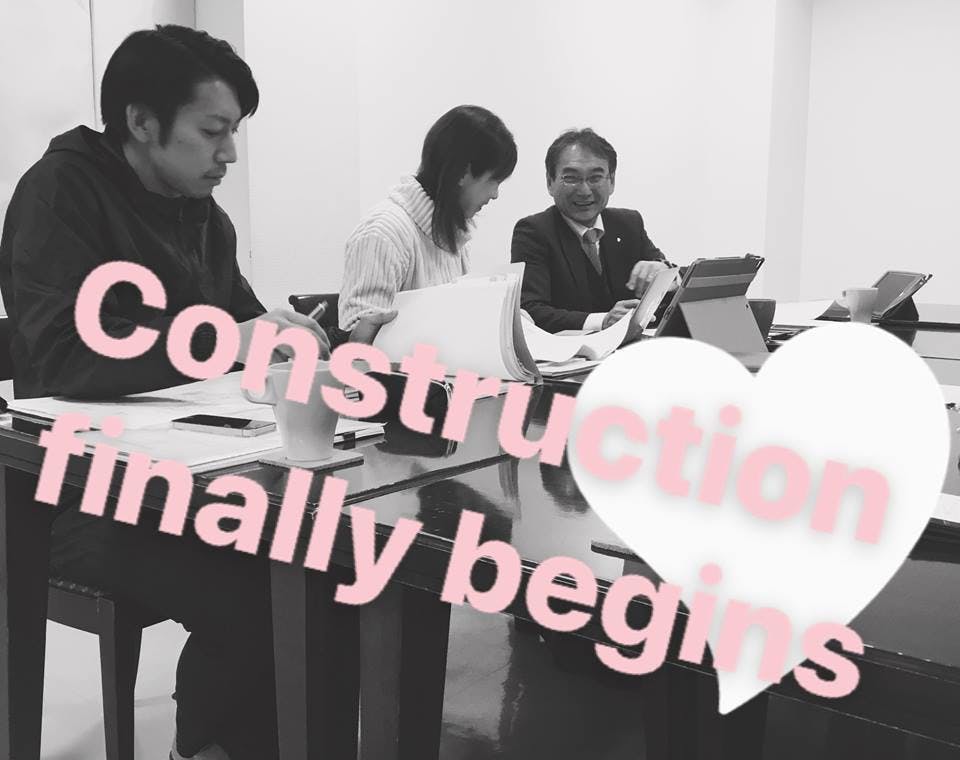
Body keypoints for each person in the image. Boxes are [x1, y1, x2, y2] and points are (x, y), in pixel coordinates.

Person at [0, 25, 327, 760]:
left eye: (234, 131)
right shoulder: (59, 194)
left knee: (322, 562)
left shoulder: (202, 214)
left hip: (188, 473)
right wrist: (227, 340)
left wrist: (287, 343)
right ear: (142, 122)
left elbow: (243, 327)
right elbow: (65, 356)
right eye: (213, 131)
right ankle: (208, 747)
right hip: (74, 496)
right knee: (257, 586)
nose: (229, 153)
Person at [338, 105, 517, 343]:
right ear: (463, 174)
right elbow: (356, 345)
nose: (495, 194)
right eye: (494, 180)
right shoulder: (383, 233)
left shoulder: (451, 234)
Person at [511, 128, 675, 334]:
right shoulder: (533, 232)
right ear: (550, 182)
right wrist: (602, 321)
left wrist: (664, 272)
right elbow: (530, 310)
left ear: (611, 181)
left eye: (595, 178)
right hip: (569, 351)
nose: (584, 190)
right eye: (571, 178)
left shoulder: (628, 223)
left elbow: (673, 281)